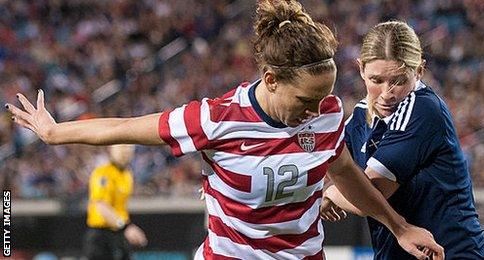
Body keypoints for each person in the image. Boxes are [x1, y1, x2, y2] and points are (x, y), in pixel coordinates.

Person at [5, 1, 443, 259]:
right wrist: (55, 132)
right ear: (271, 80)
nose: (314, 110)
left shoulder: (328, 112)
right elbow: (126, 126)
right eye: (304, 101)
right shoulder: (216, 119)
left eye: (320, 99)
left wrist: (399, 226)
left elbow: (348, 175)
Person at [321, 21, 484, 259]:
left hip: (449, 253)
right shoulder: (360, 117)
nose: (387, 93)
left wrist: (329, 193)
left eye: (398, 81)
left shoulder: (423, 109)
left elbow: (369, 195)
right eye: (376, 80)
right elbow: (327, 166)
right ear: (361, 69)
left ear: (419, 71)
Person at [84, 144, 147, 260]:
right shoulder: (103, 173)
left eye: (128, 148)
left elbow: (120, 208)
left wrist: (126, 228)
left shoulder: (128, 175)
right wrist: (125, 227)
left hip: (119, 233)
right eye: (121, 147)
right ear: (110, 149)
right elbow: (101, 206)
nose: (125, 152)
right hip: (101, 236)